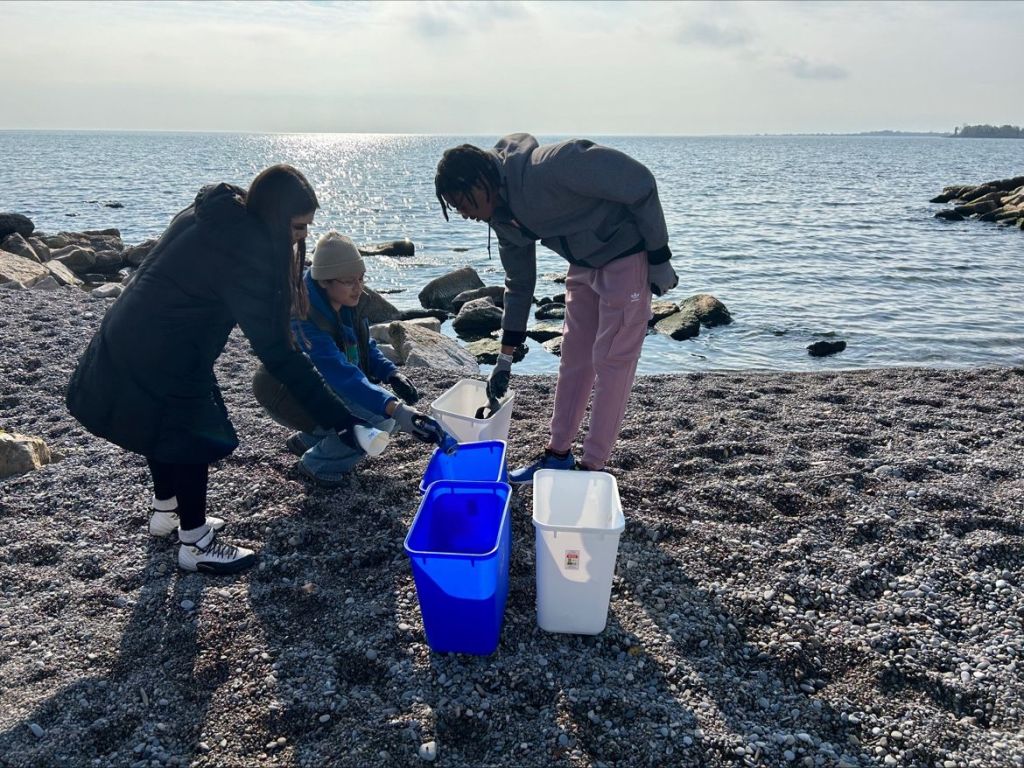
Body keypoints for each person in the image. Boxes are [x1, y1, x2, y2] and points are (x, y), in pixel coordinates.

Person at [66, 165, 363, 575]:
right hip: (165, 347)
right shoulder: (245, 252)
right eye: (297, 228)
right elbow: (278, 353)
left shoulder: (215, 213)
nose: (302, 239)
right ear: (275, 217)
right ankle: (195, 544)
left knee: (163, 424)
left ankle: (165, 512)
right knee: (190, 435)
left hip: (129, 330)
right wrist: (339, 419)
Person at [434, 133, 678, 483]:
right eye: (455, 207)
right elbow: (519, 284)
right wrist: (504, 359)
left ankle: (592, 467)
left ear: (481, 181)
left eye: (463, 202)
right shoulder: (501, 218)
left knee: (612, 363)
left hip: (626, 255)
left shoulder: (553, 165)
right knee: (574, 359)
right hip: (582, 265)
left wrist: (659, 255)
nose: (463, 213)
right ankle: (557, 455)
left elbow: (639, 182)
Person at [253, 230, 435, 486]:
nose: (359, 287)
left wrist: (391, 373)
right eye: (350, 281)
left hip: (321, 388)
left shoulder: (344, 302)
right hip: (283, 393)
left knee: (388, 416)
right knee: (381, 422)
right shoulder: (304, 317)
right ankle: (316, 465)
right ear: (325, 281)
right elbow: (341, 374)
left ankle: (312, 440)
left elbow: (365, 346)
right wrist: (395, 408)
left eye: (361, 279)